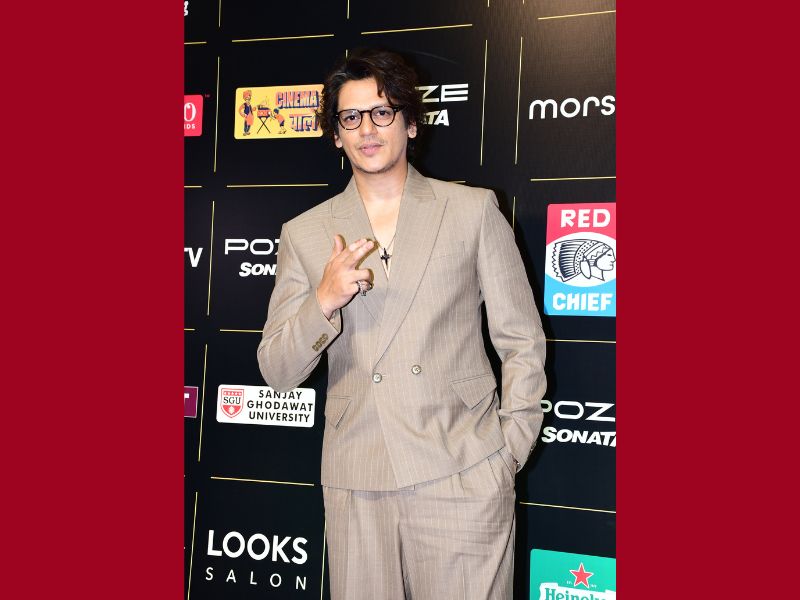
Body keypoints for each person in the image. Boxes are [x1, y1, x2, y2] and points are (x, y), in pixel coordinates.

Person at [257, 48, 546, 600]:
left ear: (410, 123)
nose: (367, 128)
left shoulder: (471, 211)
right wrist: (323, 302)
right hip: (357, 480)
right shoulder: (305, 233)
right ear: (335, 135)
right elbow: (276, 370)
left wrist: (507, 451)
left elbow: (522, 341)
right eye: (350, 117)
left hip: (461, 470)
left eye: (382, 112)